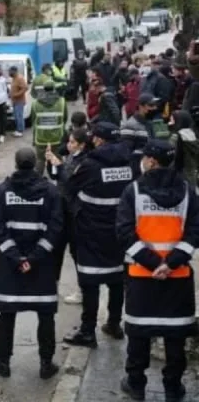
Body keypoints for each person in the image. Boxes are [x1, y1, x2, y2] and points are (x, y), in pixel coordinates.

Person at [116, 140, 199, 402]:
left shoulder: (134, 191)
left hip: (142, 276)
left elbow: (125, 232)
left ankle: (136, 384)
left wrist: (153, 263)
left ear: (151, 161)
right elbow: (194, 232)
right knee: (174, 335)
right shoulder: (187, 192)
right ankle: (172, 388)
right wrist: (171, 263)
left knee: (139, 334)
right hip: (178, 277)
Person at [0, 148, 62, 379]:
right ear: (35, 164)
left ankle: (4, 362)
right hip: (42, 264)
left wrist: (17, 258)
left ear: (17, 164)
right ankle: (46, 364)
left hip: (10, 264)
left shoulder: (4, 190)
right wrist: (35, 257)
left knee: (8, 313)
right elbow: (56, 228)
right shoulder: (50, 191)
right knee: (45, 314)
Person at [64, 122, 132, 347]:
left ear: (100, 140)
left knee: (90, 282)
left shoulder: (89, 165)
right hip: (119, 231)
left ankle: (88, 331)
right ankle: (114, 323)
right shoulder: (129, 162)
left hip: (91, 232)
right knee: (116, 280)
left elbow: (69, 189)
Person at [45, 128, 93, 285]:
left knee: (75, 251)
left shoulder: (84, 162)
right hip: (61, 209)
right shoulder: (70, 157)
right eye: (69, 141)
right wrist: (51, 162)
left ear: (82, 145)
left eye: (72, 142)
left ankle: (81, 287)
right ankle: (54, 282)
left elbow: (70, 183)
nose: (69, 145)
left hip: (74, 211)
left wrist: (58, 166)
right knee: (57, 248)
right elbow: (56, 176)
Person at [31, 81, 67, 175]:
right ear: (54, 89)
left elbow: (33, 120)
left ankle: (38, 180)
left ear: (43, 89)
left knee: (40, 159)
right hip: (57, 136)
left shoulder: (35, 103)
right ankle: (59, 178)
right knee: (58, 157)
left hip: (41, 137)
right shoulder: (62, 101)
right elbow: (65, 118)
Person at [120, 92, 158, 179]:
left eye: (155, 105)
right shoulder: (130, 125)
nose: (155, 108)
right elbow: (126, 151)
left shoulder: (150, 123)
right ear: (141, 107)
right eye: (151, 105)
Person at [171, 109, 199, 188]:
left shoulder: (179, 136)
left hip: (184, 176)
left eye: (172, 120)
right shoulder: (193, 135)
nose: (170, 122)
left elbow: (177, 159)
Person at [9, 66, 28, 138]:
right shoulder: (14, 78)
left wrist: (16, 95)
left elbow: (25, 88)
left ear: (14, 71)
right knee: (16, 116)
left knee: (19, 116)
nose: (9, 73)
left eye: (10, 71)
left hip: (19, 101)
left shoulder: (20, 78)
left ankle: (20, 131)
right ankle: (17, 130)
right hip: (14, 101)